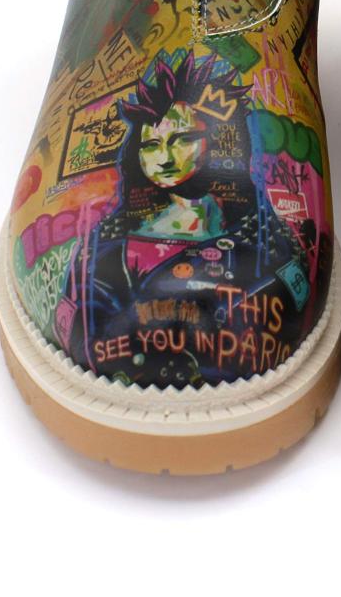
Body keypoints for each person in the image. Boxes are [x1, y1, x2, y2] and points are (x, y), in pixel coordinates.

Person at [57, 49, 312, 386]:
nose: (164, 158)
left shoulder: (261, 238)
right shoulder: (107, 243)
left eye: (183, 139)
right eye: (151, 146)